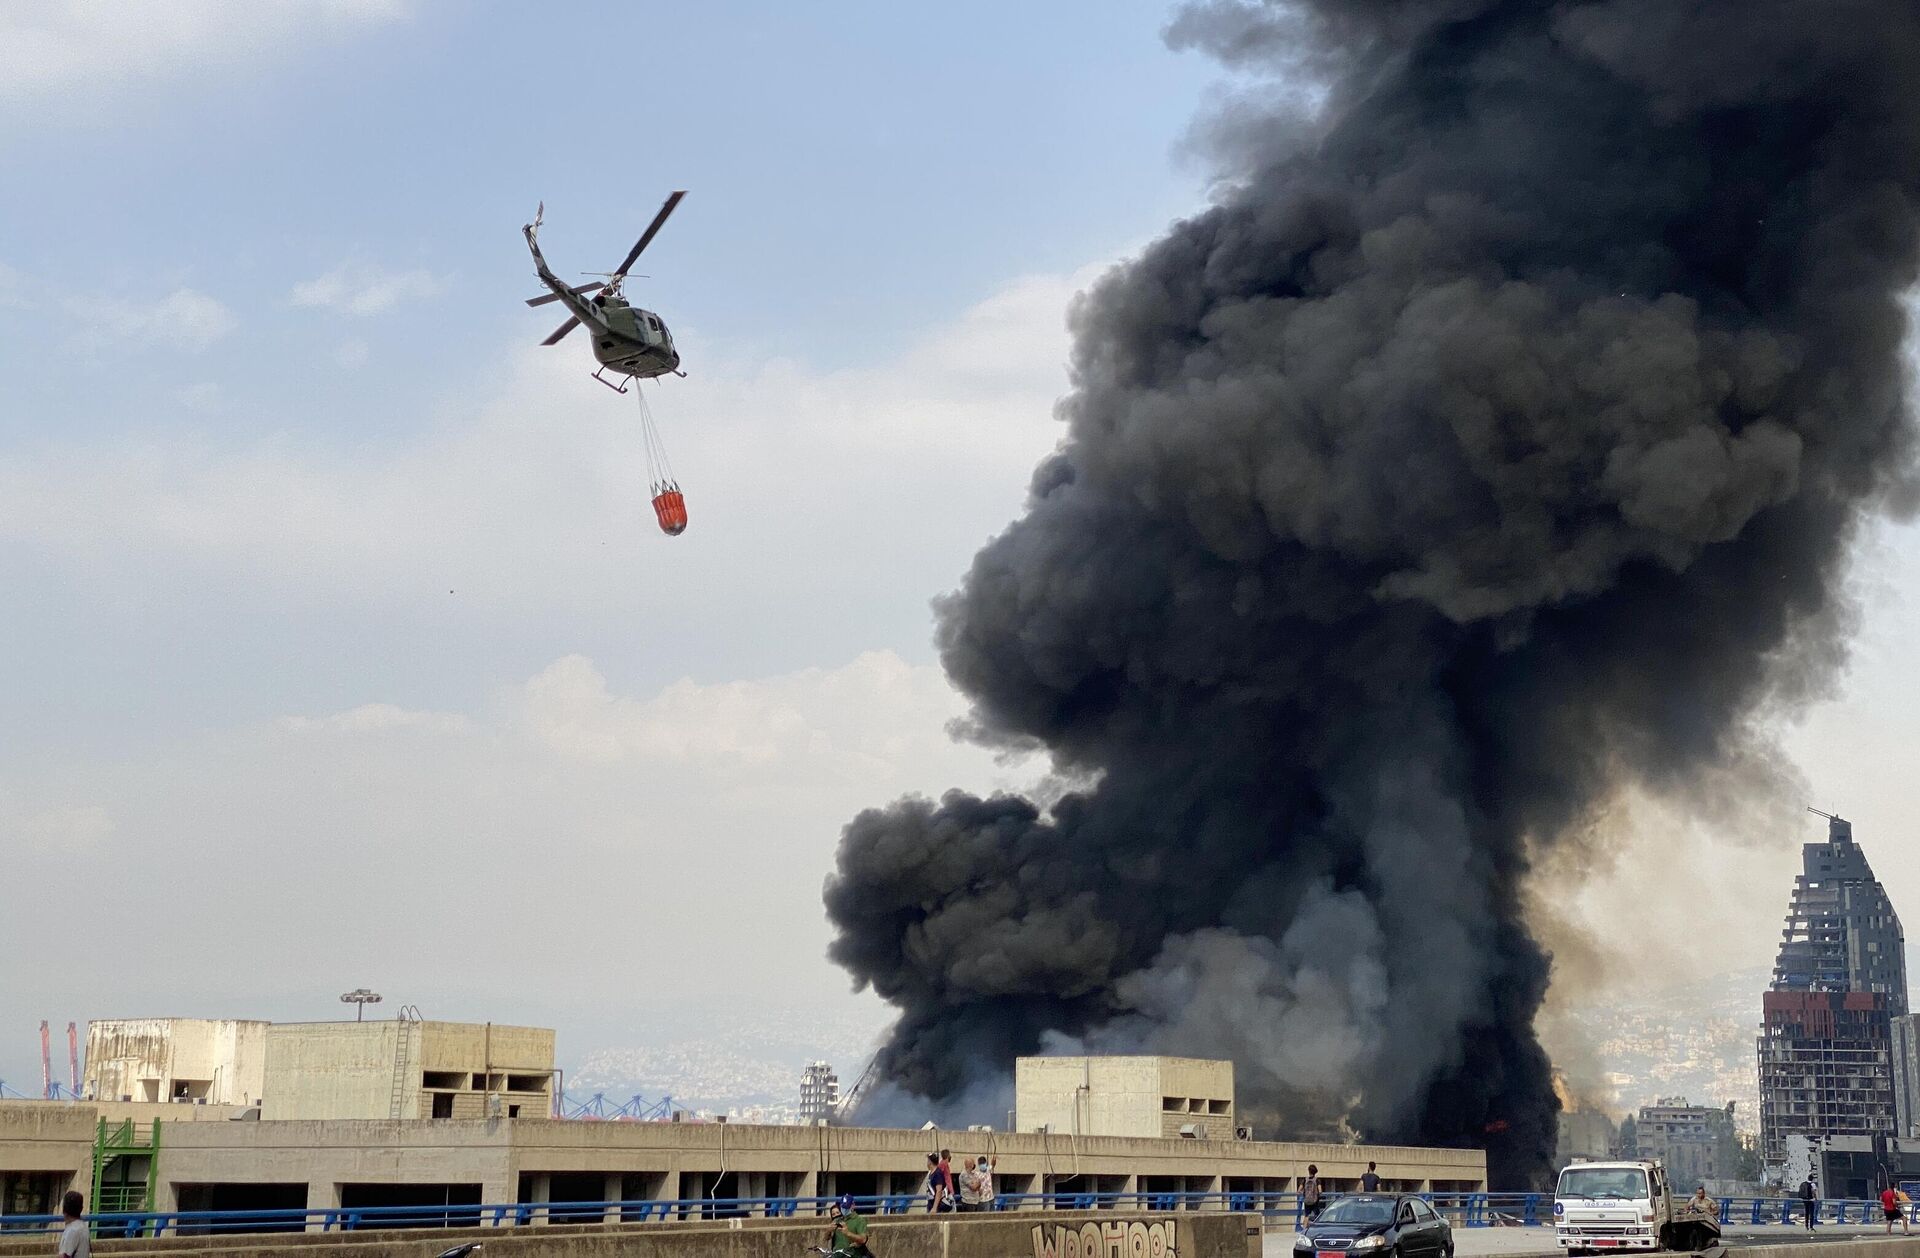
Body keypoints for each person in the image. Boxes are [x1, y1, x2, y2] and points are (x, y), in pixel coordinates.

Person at [57, 1191, 88, 1258]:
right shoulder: (83, 1226)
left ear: (63, 1209)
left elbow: (64, 1256)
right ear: (81, 1209)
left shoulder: (71, 1231)